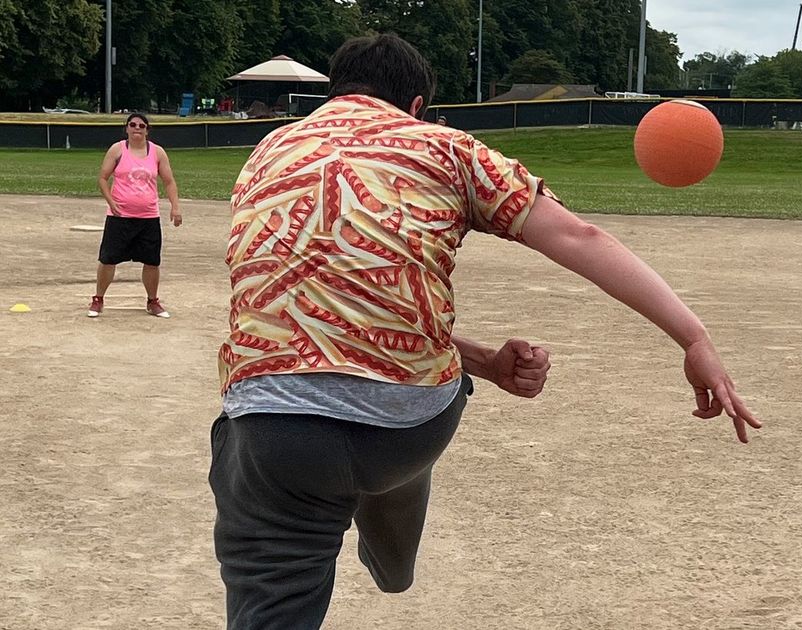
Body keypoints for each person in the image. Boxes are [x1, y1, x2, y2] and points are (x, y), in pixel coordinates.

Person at [210, 33, 761, 629]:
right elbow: (581, 239)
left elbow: (316, 300)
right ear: (415, 105)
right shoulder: (448, 149)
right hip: (409, 423)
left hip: (278, 429)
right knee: (394, 424)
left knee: (271, 543)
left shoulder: (268, 151)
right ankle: (390, 539)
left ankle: (328, 526)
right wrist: (694, 339)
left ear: (332, 92)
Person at [90, 113, 183, 318]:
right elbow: (103, 178)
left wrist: (175, 207)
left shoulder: (157, 152)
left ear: (147, 130)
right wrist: (111, 202)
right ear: (127, 128)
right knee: (108, 259)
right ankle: (98, 299)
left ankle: (152, 301)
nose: (137, 128)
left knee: (151, 261)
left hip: (148, 217)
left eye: (141, 125)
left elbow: (169, 181)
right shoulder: (117, 149)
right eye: (132, 124)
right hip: (119, 216)